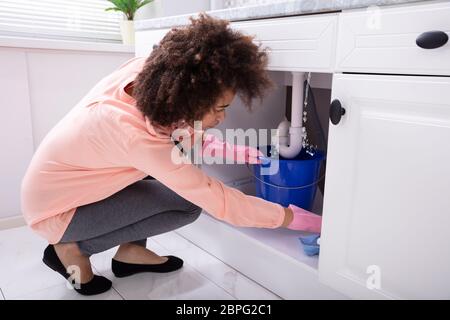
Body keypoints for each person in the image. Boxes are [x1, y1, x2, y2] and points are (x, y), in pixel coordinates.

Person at [20, 13, 322, 296]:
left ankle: (131, 253)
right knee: (188, 202)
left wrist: (235, 151)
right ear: (188, 99)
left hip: (73, 189)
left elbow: (175, 130)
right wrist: (292, 218)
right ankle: (72, 249)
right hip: (58, 212)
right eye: (219, 109)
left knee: (161, 170)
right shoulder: (131, 133)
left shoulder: (149, 78)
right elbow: (220, 200)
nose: (222, 118)